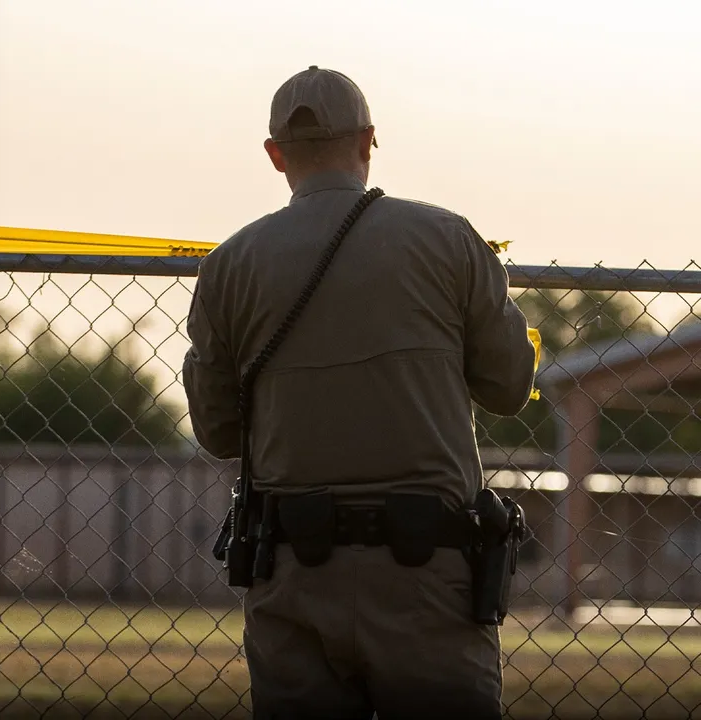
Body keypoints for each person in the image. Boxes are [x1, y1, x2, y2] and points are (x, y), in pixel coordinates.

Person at [182, 66, 537, 719]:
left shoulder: (229, 264)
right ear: (370, 139)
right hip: (426, 575)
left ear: (275, 154)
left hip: (290, 572)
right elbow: (510, 387)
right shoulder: (448, 239)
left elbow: (218, 431)